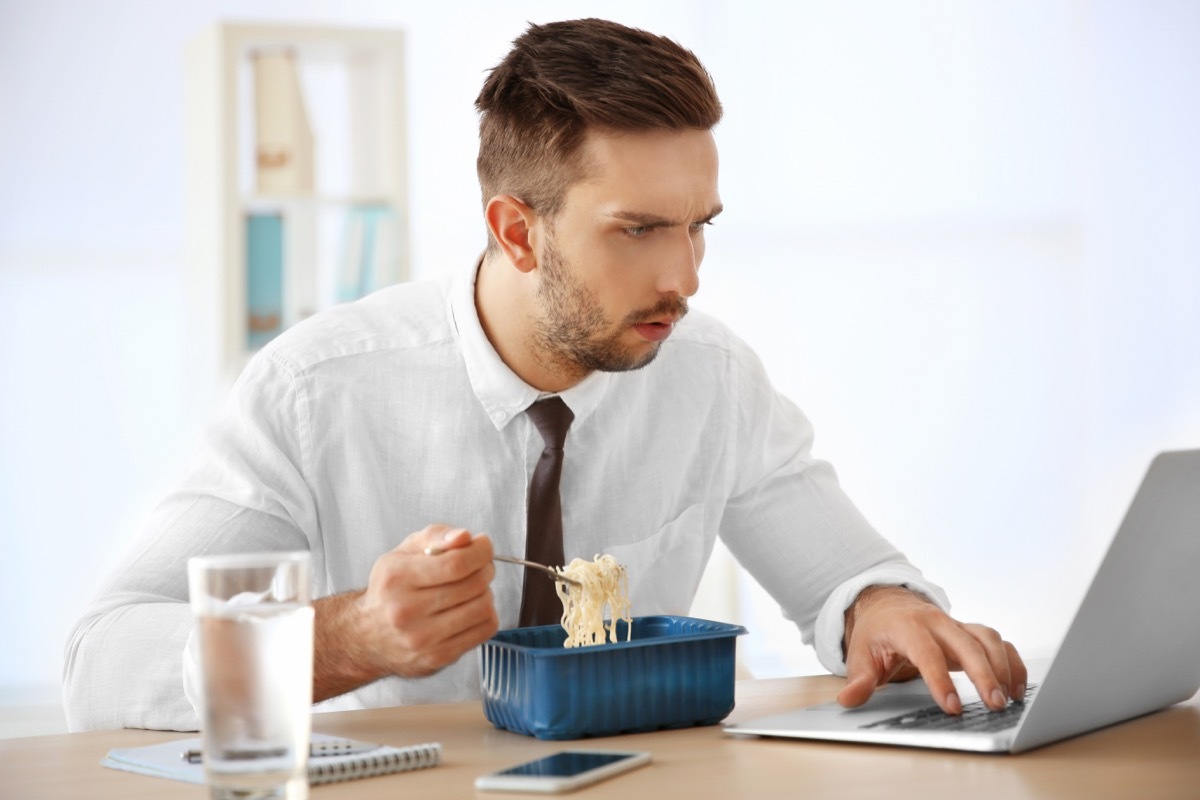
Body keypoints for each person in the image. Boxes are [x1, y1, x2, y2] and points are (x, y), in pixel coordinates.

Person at [63, 17, 1025, 732]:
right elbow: (99, 661)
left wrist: (883, 607)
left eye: (699, 227)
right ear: (517, 232)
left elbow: (843, 580)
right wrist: (344, 638)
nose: (683, 279)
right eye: (639, 230)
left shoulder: (710, 377)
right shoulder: (318, 392)